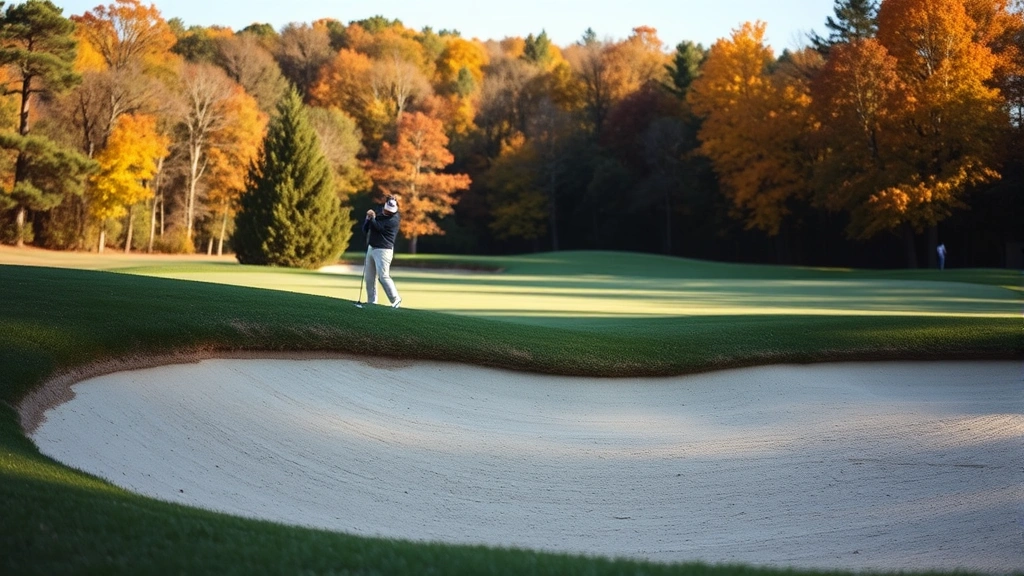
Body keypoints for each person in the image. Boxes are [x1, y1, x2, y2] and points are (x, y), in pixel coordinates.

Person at [362, 196, 402, 308]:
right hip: (372, 248)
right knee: (369, 277)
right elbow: (366, 229)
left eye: (390, 211)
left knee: (383, 276)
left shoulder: (394, 220)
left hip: (383, 251)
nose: (388, 212)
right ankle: (371, 302)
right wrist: (367, 218)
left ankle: (396, 299)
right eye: (387, 210)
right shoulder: (379, 214)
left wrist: (373, 218)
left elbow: (379, 227)